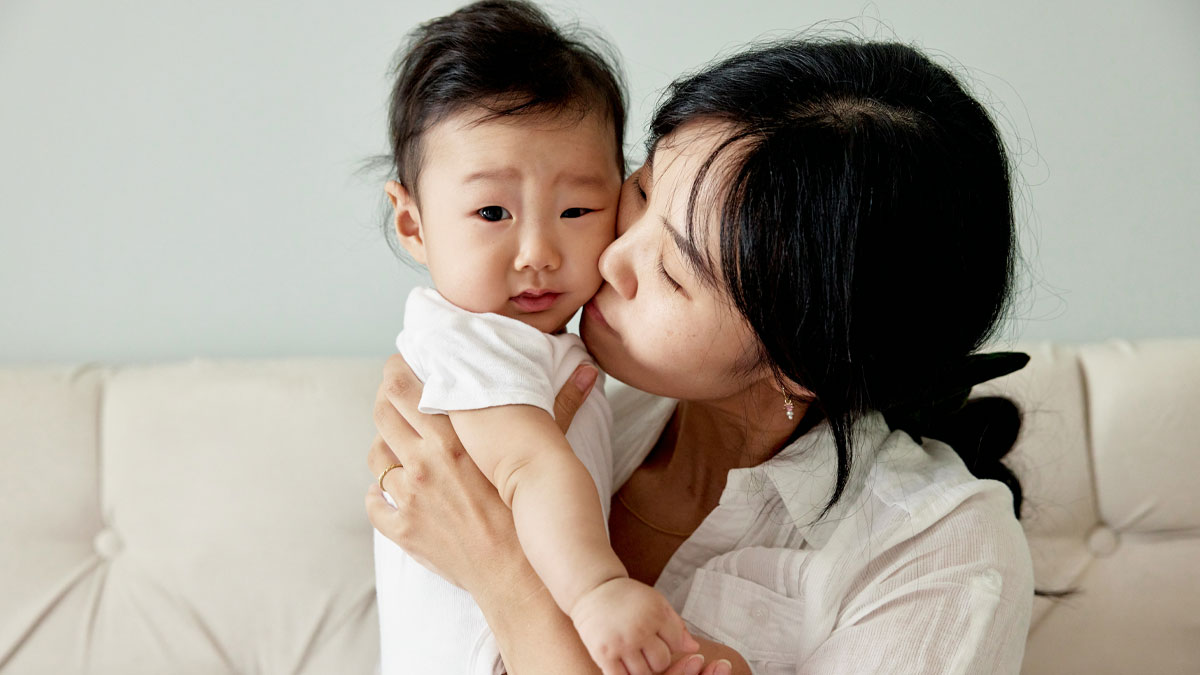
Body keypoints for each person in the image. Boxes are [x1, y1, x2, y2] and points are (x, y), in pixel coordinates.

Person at [367, 33, 1036, 675]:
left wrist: (499, 568)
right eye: (641, 193)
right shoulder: (575, 393)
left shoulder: (939, 552)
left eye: (673, 273)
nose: (608, 255)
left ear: (799, 360)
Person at [371, 2, 699, 674]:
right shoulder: (471, 340)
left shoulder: (529, 343)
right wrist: (598, 590)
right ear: (412, 224)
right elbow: (530, 467)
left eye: (576, 210)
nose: (539, 251)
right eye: (493, 212)